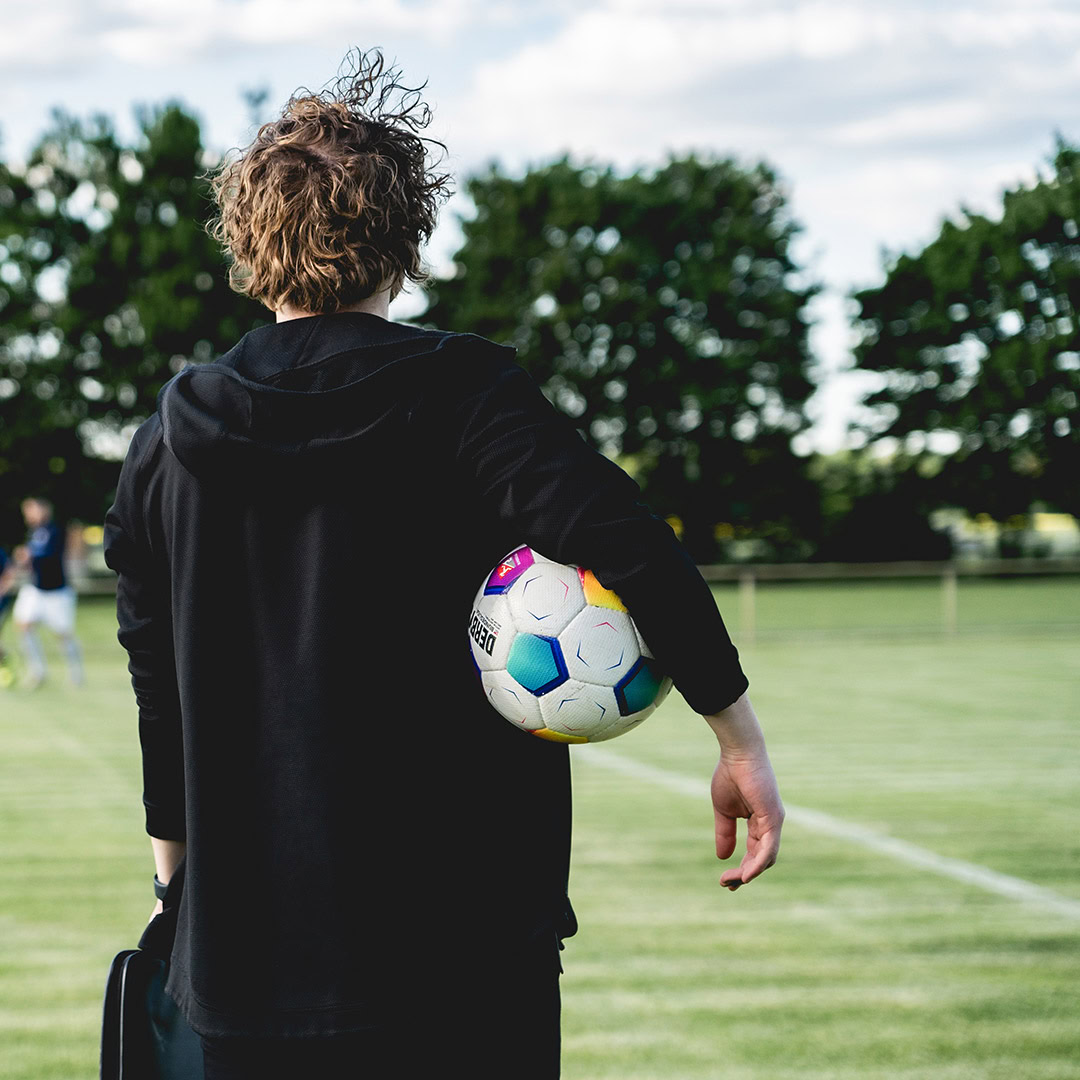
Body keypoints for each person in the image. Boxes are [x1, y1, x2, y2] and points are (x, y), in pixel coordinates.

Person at [102, 48, 783, 1079]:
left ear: (250, 242)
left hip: (241, 965)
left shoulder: (166, 439)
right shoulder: (467, 396)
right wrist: (736, 735)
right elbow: (627, 539)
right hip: (465, 964)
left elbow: (161, 690)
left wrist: (174, 883)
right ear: (404, 238)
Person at [12, 496, 85, 689]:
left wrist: (29, 555)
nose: (28, 514)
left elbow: (50, 555)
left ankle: (76, 673)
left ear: (43, 509)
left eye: (31, 509)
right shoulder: (34, 533)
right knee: (24, 625)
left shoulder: (55, 530)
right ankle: (38, 671)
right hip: (36, 589)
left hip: (57, 591)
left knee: (63, 634)